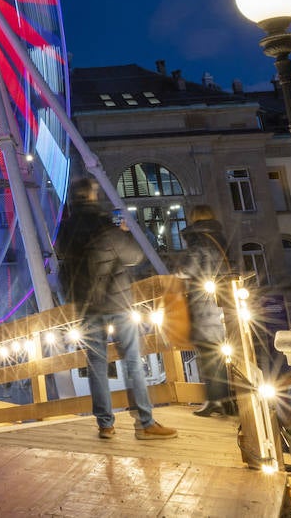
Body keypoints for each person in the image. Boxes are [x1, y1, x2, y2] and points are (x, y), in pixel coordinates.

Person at [55, 178, 177, 440]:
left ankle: (105, 424)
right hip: (117, 302)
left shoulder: (65, 231)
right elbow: (135, 256)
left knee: (97, 366)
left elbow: (62, 269)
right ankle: (145, 422)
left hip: (87, 306)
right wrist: (124, 232)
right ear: (91, 196)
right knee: (133, 361)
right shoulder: (103, 226)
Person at [179, 204, 235, 416]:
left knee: (208, 354)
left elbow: (188, 269)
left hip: (204, 304)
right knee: (219, 354)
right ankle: (225, 400)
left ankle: (215, 401)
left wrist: (178, 273)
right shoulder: (220, 238)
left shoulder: (198, 240)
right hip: (222, 302)